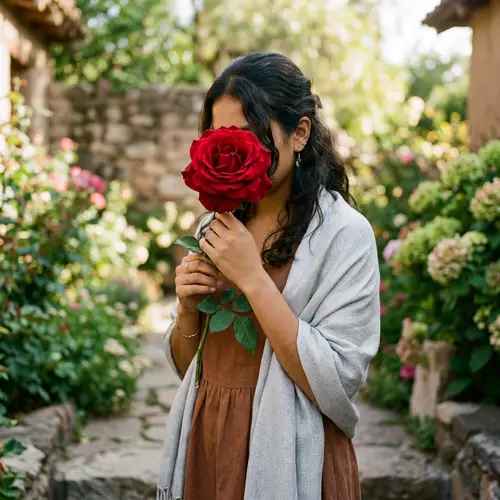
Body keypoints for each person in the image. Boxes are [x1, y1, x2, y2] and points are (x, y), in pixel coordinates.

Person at [157, 52, 380, 500]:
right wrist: (186, 309)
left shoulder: (345, 236)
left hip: (292, 457)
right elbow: (192, 367)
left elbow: (338, 380)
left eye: (251, 136)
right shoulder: (215, 226)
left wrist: (253, 278)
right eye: (222, 137)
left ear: (300, 133)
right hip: (207, 440)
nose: (235, 150)